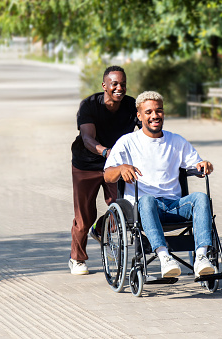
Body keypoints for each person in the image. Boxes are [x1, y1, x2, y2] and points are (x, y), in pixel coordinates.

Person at [103, 91, 216, 278]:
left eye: (159, 111)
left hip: (174, 205)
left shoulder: (176, 141)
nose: (155, 116)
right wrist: (121, 168)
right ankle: (165, 258)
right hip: (145, 207)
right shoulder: (127, 142)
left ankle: (202, 258)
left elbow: (196, 165)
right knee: (146, 201)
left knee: (201, 198)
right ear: (139, 116)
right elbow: (107, 175)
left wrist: (204, 165)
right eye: (148, 112)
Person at [69, 65, 140, 275]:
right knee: (84, 217)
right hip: (87, 164)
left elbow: (145, 129)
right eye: (115, 84)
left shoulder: (131, 105)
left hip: (115, 165)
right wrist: (105, 152)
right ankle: (77, 259)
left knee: (122, 207)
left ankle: (100, 229)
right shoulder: (89, 105)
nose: (119, 88)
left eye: (123, 84)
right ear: (104, 86)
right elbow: (88, 138)